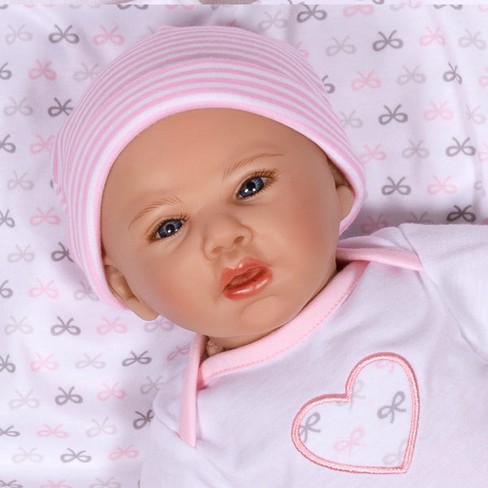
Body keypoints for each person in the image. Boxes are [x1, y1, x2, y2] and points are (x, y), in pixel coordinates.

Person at [51, 25, 488, 487]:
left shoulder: (420, 270)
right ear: (128, 289)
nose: (223, 236)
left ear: (336, 182)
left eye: (251, 186)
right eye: (169, 227)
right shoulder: (192, 435)